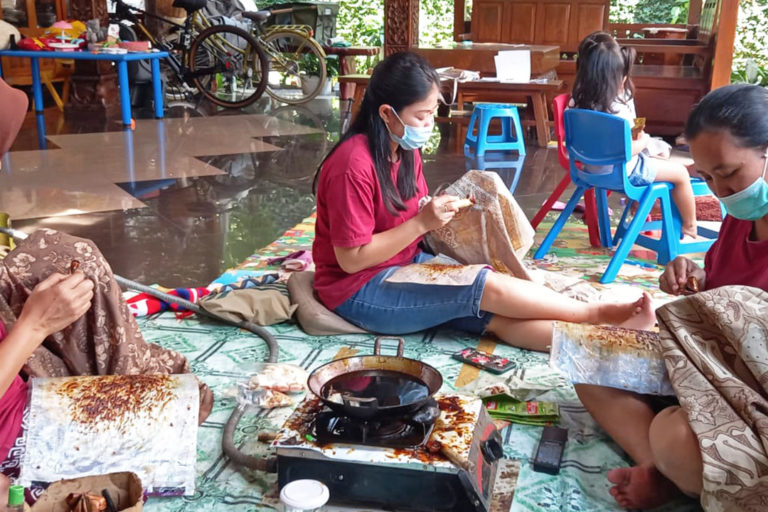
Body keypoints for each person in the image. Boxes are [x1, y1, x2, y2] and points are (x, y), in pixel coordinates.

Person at [312, 51, 655, 351]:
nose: (430, 124)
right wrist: (422, 223)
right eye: (421, 116)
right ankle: (597, 314)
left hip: (403, 263)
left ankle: (610, 339)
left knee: (498, 318)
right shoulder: (352, 165)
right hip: (357, 290)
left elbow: (415, 209)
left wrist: (444, 209)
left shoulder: (404, 149)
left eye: (433, 113)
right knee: (483, 284)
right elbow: (352, 260)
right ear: (387, 114)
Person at [0, 82, 213, 506]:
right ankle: (125, 400)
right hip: (20, 438)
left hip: (17, 383)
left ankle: (128, 382)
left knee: (62, 254)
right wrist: (34, 325)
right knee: (183, 403)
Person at [576, 84, 768, 510]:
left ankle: (668, 465)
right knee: (590, 357)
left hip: (751, 401)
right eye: (707, 177)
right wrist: (694, 274)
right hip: (707, 373)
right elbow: (720, 296)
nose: (719, 191)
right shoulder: (741, 216)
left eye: (729, 172)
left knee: (678, 436)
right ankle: (655, 469)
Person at [570, 31, 698, 239]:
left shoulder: (576, 104)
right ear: (617, 76)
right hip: (624, 174)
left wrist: (641, 139)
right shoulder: (616, 110)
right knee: (680, 174)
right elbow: (628, 149)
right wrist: (645, 140)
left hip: (590, 171)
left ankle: (640, 205)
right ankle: (690, 225)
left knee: (656, 157)